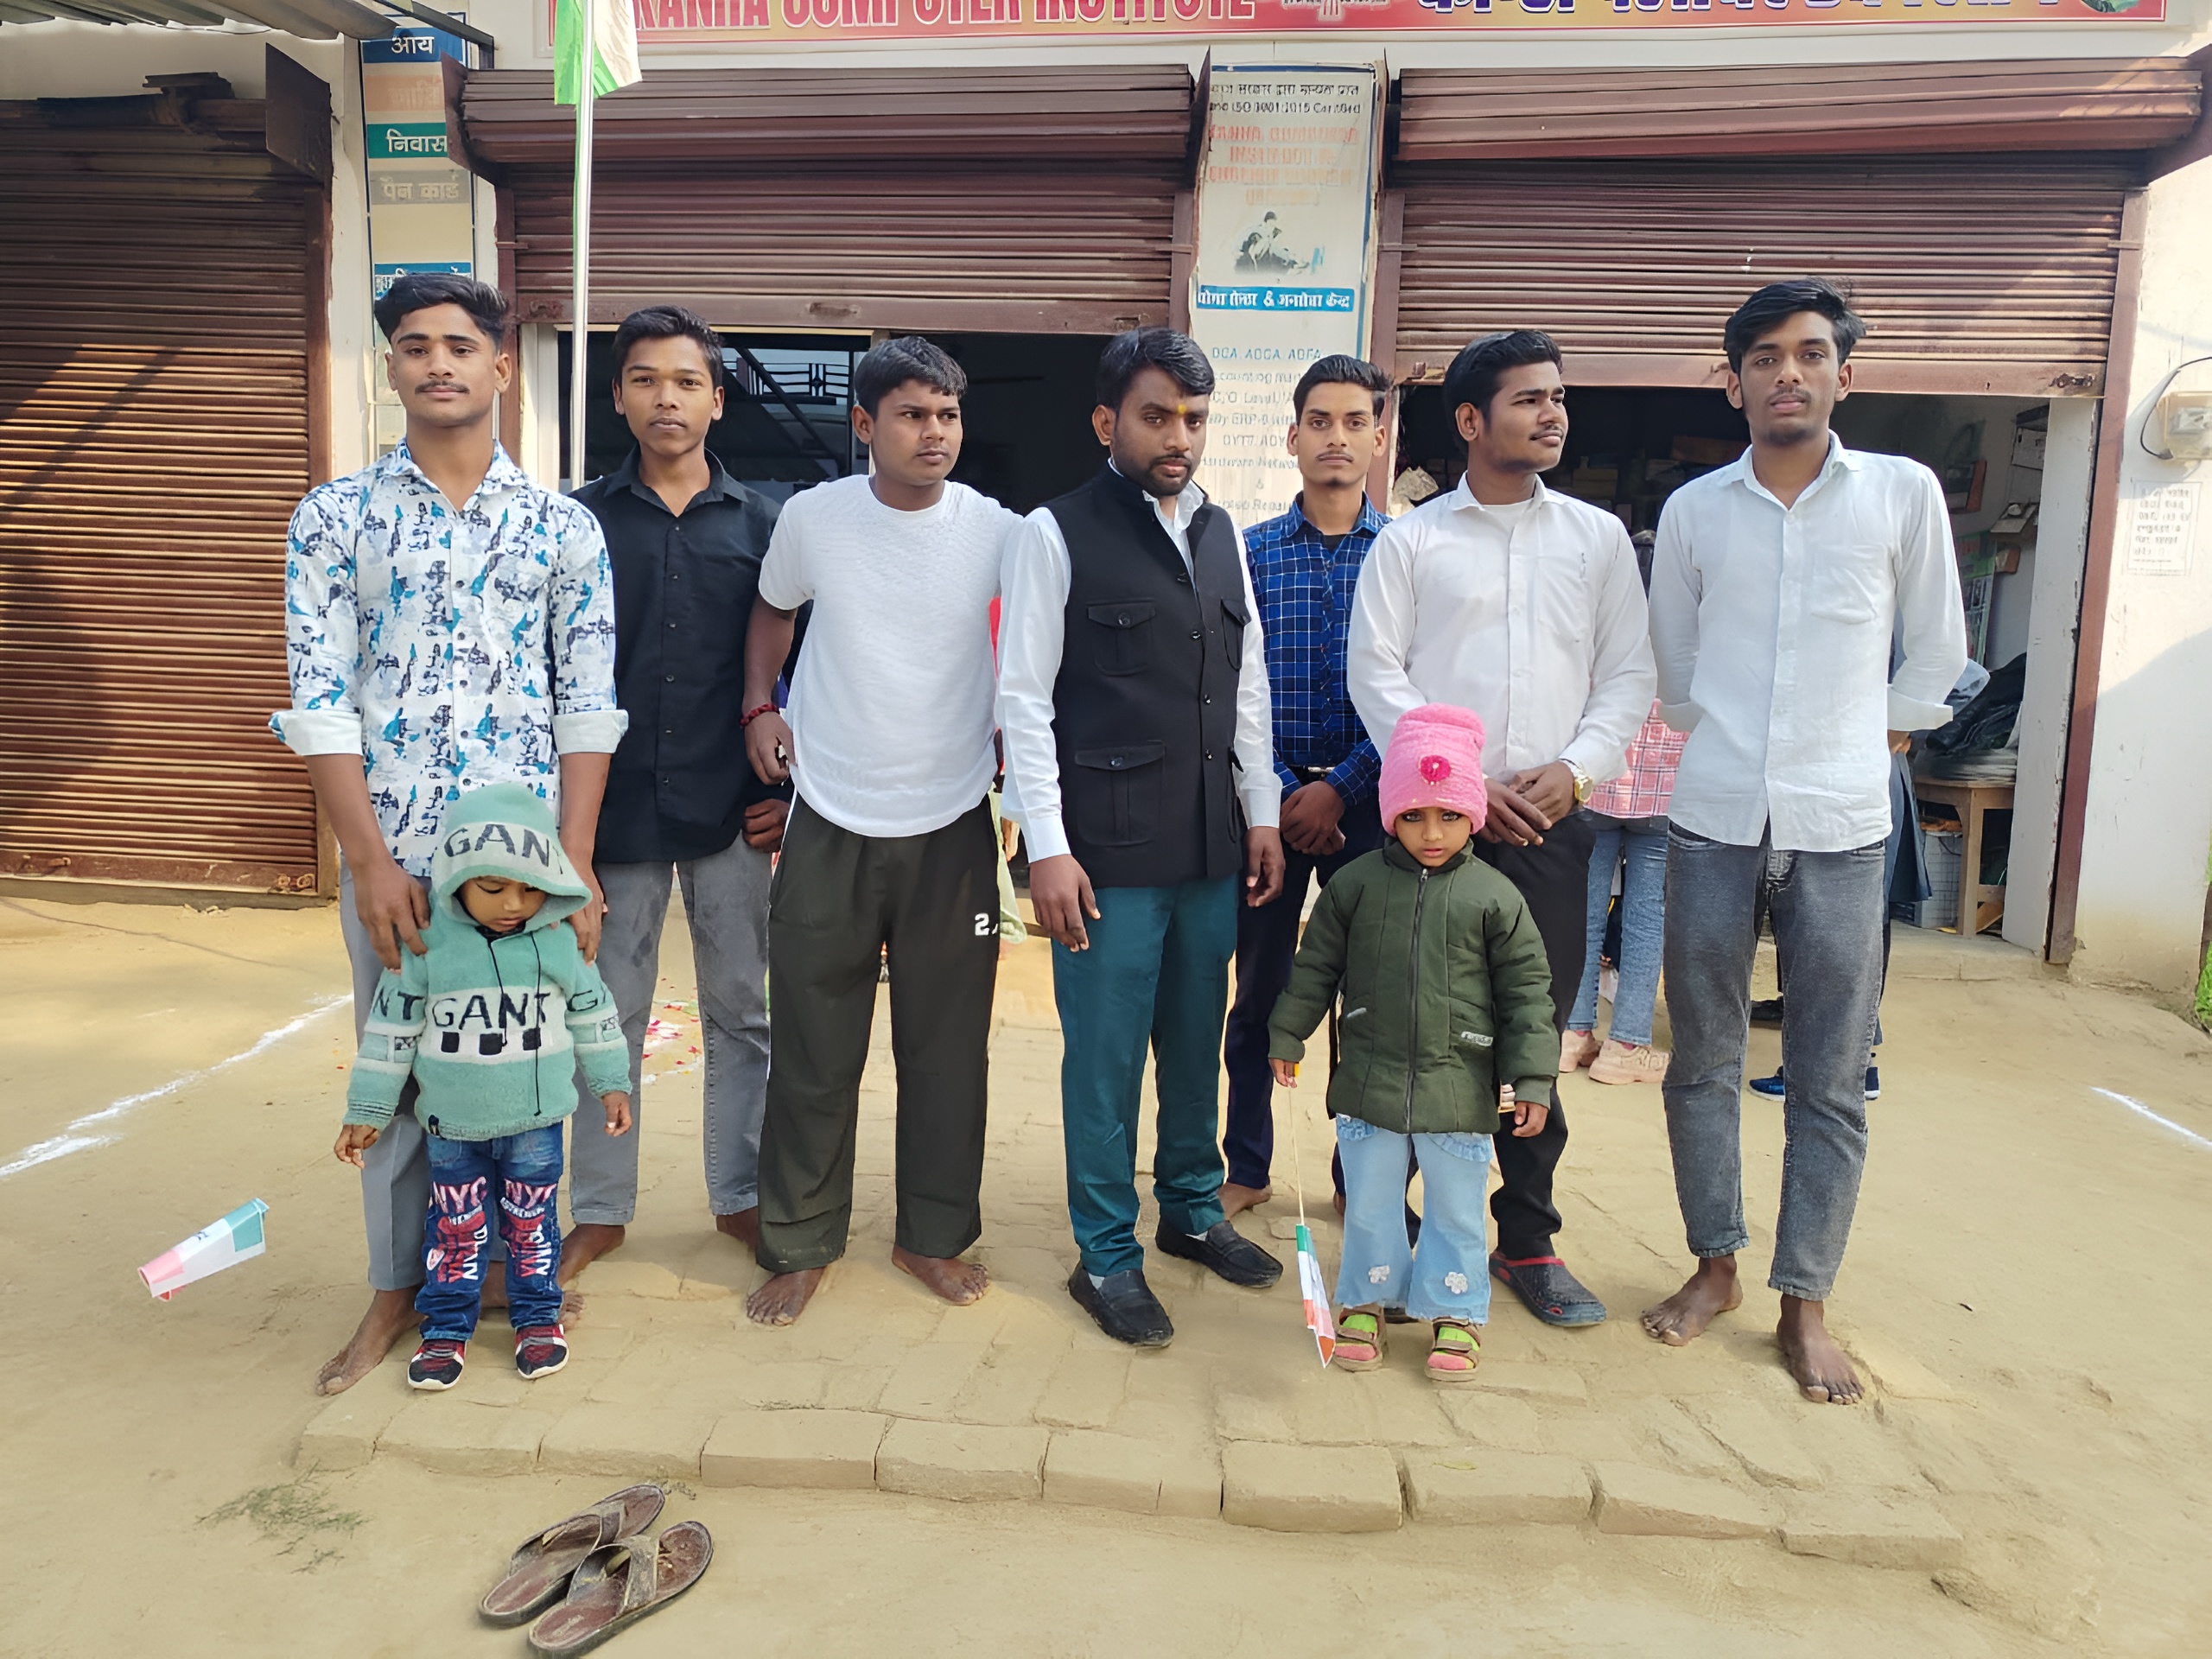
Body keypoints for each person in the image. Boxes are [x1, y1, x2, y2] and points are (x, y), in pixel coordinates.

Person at [273, 273, 625, 1395]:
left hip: (525, 879)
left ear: (501, 366)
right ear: (390, 367)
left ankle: (510, 1279)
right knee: (399, 1068)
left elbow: (587, 703)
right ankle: (396, 1288)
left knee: (526, 1067)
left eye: (461, 346)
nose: (439, 363)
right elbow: (319, 698)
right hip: (399, 864)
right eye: (416, 346)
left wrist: (574, 865)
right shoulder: (335, 518)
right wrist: (368, 861)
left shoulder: (563, 528)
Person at [1642, 278, 1967, 1404]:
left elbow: (1939, 650)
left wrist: (1868, 737)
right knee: (1702, 1060)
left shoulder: (1901, 495)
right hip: (1715, 817)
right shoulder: (1696, 511)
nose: (1788, 371)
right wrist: (1732, 742)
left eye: (1810, 352)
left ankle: (1805, 1297)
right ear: (1732, 382)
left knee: (1828, 1075)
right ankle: (1715, 1266)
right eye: (1765, 356)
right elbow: (1676, 666)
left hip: (1841, 823)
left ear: (1843, 374)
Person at [1346, 329, 1656, 1329]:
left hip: (1547, 828)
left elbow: (1628, 674)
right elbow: (1375, 675)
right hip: (1432, 832)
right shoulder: (1411, 543)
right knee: (1405, 1027)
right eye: (1529, 399)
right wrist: (1460, 784)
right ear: (1472, 420)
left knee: (1531, 1034)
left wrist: (1578, 770)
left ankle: (1525, 1240)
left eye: (1557, 397)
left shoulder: (1596, 540)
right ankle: (1381, 1236)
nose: (1552, 414)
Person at [999, 327, 1287, 1348]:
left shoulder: (1220, 531)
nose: (1178, 438)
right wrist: (1046, 846)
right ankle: (1105, 1253)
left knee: (1195, 1040)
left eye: (1193, 419)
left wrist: (1260, 812)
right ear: (1105, 422)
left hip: (1209, 844)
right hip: (1104, 855)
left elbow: (1246, 687)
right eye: (1156, 416)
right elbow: (1023, 700)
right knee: (1107, 1059)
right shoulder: (1053, 533)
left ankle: (1193, 1209)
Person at [739, 337, 1017, 1327]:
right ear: (865, 424)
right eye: (911, 414)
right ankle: (800, 1240)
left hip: (952, 818)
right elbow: (771, 613)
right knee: (813, 1045)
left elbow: (1033, 652)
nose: (933, 432)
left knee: (948, 1051)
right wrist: (759, 705)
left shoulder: (997, 531)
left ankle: (929, 1235)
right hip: (830, 811)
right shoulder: (814, 519)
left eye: (947, 414)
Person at [564, 306, 788, 1280]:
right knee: (605, 1014)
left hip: (733, 813)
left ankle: (740, 1196)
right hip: (610, 817)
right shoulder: (577, 523)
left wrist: (794, 791)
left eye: (688, 381)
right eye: (647, 379)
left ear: (717, 401)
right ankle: (599, 1209)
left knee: (742, 1010)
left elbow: (807, 673)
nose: (668, 398)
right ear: (618, 396)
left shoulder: (767, 527)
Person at [1268, 705, 1558, 1383]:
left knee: (1456, 1208)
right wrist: (1288, 1031)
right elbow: (1315, 967)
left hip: (1461, 1089)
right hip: (1370, 1081)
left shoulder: (1495, 896)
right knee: (1370, 1204)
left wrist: (1532, 1078)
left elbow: (1527, 994)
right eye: (1414, 815)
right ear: (1390, 812)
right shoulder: (1355, 885)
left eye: (1450, 815)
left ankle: (1455, 1310)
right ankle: (1367, 1300)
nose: (1432, 833)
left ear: (1473, 813)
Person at [334, 784, 634, 1390]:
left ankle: (537, 1318)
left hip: (537, 1128)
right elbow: (390, 1031)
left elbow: (595, 1015)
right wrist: (368, 1107)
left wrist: (612, 1084)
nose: (513, 905)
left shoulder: (559, 943)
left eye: (530, 888)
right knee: (454, 1230)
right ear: (454, 878)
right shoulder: (425, 947)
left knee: (533, 1228)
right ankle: (445, 1328)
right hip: (452, 1129)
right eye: (492, 888)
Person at [1220, 353, 1394, 1219]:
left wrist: (1344, 787)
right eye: (1319, 421)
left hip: (1377, 808)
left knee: (1370, 1002)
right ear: (1292, 437)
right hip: (1268, 810)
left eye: (1355, 421)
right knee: (1259, 991)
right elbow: (1229, 685)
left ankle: (1360, 1179)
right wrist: (1286, 789)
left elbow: (1414, 688)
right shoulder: (1247, 554)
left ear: (1378, 438)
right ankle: (1246, 1164)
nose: (1337, 437)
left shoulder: (1406, 554)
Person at [1560, 698, 1685, 1085]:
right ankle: (1626, 1045)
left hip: (1596, 777)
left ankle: (1573, 1033)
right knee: (1647, 918)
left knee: (1583, 910)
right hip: (1666, 781)